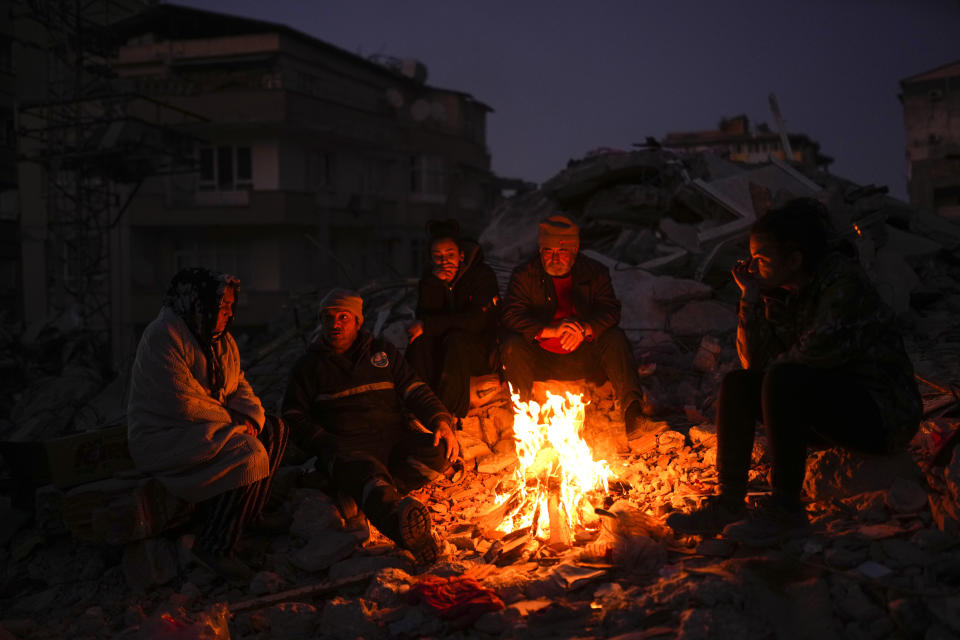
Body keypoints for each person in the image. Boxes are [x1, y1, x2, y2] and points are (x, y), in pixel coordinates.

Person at [667, 198, 922, 539]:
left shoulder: (842, 284)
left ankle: (786, 509)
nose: (753, 266)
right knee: (739, 383)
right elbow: (756, 366)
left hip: (881, 413)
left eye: (761, 259)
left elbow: (809, 357)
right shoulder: (790, 291)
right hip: (829, 404)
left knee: (783, 377)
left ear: (794, 259)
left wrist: (774, 368)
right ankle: (729, 502)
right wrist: (751, 297)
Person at [127, 268, 289, 582]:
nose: (227, 313)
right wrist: (234, 423)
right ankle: (215, 545)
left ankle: (250, 513)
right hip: (167, 435)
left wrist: (250, 417)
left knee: (274, 430)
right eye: (221, 305)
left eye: (230, 306)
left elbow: (237, 384)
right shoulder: (164, 336)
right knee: (249, 453)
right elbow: (182, 401)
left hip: (208, 425)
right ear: (198, 303)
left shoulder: (221, 341)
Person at [282, 289, 459, 564]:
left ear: (358, 321)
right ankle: (405, 530)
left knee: (437, 452)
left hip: (392, 439)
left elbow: (413, 389)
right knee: (366, 473)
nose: (335, 324)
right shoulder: (308, 366)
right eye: (328, 318)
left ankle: (371, 493)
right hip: (347, 448)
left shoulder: (382, 353)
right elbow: (293, 414)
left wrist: (440, 420)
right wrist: (323, 441)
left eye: (343, 317)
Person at [500, 214, 650, 437]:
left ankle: (633, 414)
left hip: (583, 357)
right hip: (541, 359)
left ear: (575, 250)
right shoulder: (525, 274)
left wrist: (584, 329)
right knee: (512, 344)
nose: (555, 258)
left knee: (614, 337)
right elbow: (511, 314)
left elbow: (611, 311)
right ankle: (524, 422)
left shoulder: (595, 272)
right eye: (548, 252)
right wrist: (551, 330)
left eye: (562, 251)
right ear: (540, 251)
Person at [406, 219, 500, 418]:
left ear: (461, 255)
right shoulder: (430, 279)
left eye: (450, 255)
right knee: (418, 342)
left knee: (455, 338)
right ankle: (416, 404)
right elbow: (424, 316)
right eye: (437, 256)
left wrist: (429, 325)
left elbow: (475, 322)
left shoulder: (481, 275)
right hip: (443, 345)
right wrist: (435, 285)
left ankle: (449, 410)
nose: (444, 261)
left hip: (477, 346)